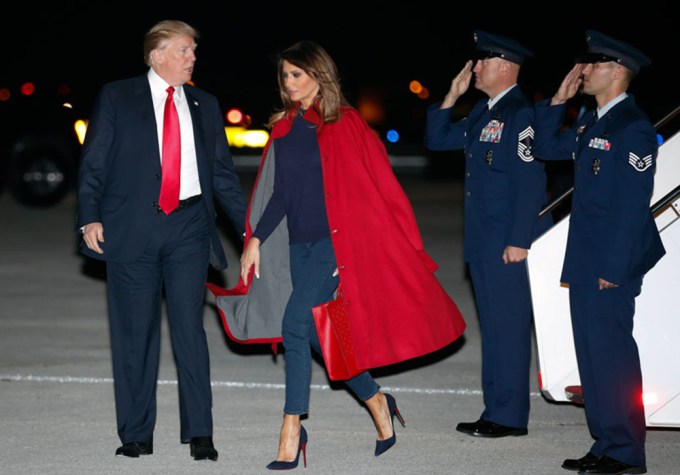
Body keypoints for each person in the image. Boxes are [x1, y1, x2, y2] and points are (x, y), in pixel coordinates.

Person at [236, 40, 466, 469]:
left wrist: (371, 251)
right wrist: (255, 239)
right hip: (300, 247)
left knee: (293, 323)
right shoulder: (284, 128)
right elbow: (283, 194)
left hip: (334, 247)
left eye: (297, 74)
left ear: (318, 75)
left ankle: (292, 428)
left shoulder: (345, 123)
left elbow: (377, 191)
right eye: (284, 75)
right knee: (314, 336)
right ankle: (377, 399)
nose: (289, 83)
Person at [76, 19, 248, 460]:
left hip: (189, 227)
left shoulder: (204, 103)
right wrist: (89, 218)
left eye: (193, 51)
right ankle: (135, 433)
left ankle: (201, 432)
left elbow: (223, 176)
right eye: (184, 51)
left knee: (190, 330)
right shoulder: (118, 96)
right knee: (135, 333)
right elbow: (93, 163)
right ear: (156, 55)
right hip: (132, 227)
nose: (193, 58)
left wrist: (251, 232)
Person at [532, 30, 665, 474]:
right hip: (588, 257)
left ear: (618, 71)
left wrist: (613, 266)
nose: (584, 71)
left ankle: (627, 453)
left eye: (594, 64)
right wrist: (557, 101)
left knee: (612, 355)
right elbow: (544, 148)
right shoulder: (594, 120)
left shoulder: (633, 127)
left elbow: (631, 205)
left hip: (611, 260)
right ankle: (606, 443)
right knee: (592, 355)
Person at [424, 30, 551, 439]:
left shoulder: (520, 114)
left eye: (482, 62)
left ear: (505, 67)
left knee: (509, 329)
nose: (474, 67)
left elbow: (529, 181)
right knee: (494, 329)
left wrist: (519, 240)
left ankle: (510, 417)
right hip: (483, 239)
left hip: (506, 243)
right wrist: (451, 95)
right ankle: (496, 410)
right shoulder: (483, 111)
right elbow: (438, 138)